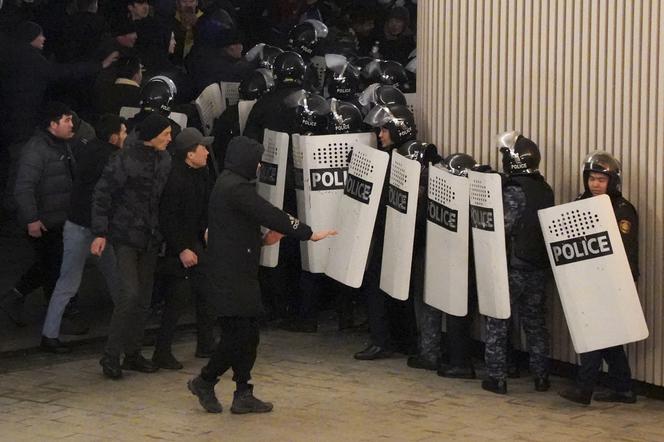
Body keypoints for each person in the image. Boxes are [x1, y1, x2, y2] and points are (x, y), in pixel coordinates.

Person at [186, 136, 336, 414]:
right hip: (231, 277)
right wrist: (308, 233)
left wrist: (264, 241)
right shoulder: (236, 188)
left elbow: (238, 227)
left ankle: (242, 391)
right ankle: (206, 381)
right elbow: (269, 213)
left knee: (248, 334)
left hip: (236, 272)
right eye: (256, 161)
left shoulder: (227, 183)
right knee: (237, 336)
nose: (258, 167)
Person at [90, 113, 173, 379]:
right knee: (130, 294)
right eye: (166, 134)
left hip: (150, 237)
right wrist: (100, 232)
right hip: (125, 235)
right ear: (152, 136)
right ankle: (111, 355)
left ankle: (133, 353)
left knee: (144, 297)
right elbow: (102, 193)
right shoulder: (124, 159)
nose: (169, 139)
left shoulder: (165, 159)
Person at [39, 115, 126, 353]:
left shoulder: (88, 150)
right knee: (113, 279)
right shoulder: (111, 158)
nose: (126, 137)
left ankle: (50, 334)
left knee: (71, 281)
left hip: (78, 224)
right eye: (124, 132)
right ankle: (128, 329)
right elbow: (106, 196)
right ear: (114, 136)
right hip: (92, 228)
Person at [559, 150, 639, 405]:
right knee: (609, 337)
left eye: (601, 180)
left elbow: (622, 249)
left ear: (612, 181)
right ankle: (624, 388)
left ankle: (584, 389)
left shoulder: (622, 210)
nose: (595, 184)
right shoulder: (580, 203)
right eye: (592, 179)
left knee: (594, 334)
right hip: (587, 279)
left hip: (612, 282)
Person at [482, 131, 554, 395]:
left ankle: (497, 377)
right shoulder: (545, 189)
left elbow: (504, 226)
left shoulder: (514, 189)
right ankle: (541, 377)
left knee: (498, 320)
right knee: (535, 323)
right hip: (538, 266)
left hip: (514, 266)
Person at [353, 103, 421, 360]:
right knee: (400, 288)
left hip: (390, 232)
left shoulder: (397, 159)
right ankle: (405, 341)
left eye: (384, 129)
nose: (379, 135)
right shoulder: (411, 156)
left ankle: (381, 340)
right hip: (402, 234)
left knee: (376, 286)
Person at [0, 103, 76, 326]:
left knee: (49, 265)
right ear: (53, 124)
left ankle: (14, 298)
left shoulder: (59, 145)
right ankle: (55, 321)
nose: (72, 125)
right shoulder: (37, 150)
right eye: (67, 120)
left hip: (55, 218)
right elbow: (24, 187)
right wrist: (32, 219)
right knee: (53, 268)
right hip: (45, 220)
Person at [154, 128, 215, 369]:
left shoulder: (201, 173)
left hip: (195, 240)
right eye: (203, 148)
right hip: (179, 246)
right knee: (177, 298)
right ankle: (162, 350)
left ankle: (205, 343)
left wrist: (206, 231)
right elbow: (168, 218)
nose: (207, 152)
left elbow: (203, 208)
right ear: (190, 154)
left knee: (206, 292)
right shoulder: (175, 179)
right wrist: (181, 248)